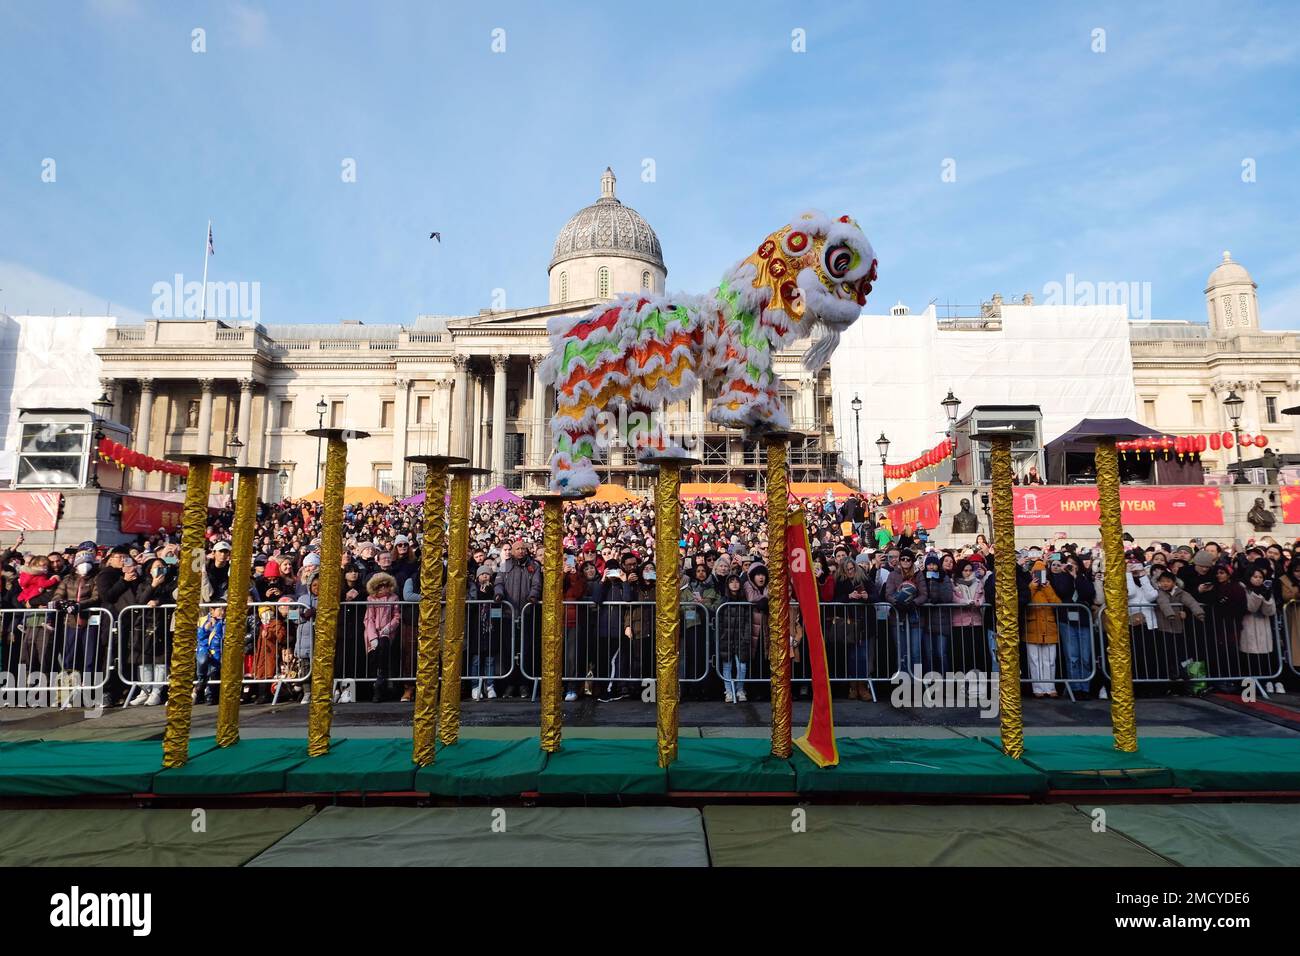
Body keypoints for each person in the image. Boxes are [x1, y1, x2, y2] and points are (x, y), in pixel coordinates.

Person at [1152, 569, 1205, 693]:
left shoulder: (1181, 593)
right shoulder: (1159, 593)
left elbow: (1192, 602)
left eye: (1168, 581)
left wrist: (1199, 613)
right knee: (1167, 655)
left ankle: (1187, 680)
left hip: (1178, 628)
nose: (1165, 584)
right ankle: (1170, 682)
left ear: (1174, 582)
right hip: (1163, 628)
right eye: (1162, 581)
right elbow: (1163, 603)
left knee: (1181, 655)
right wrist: (1170, 614)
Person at [1025, 559, 1062, 698]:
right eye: (1036, 573)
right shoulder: (1029, 587)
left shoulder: (1049, 587)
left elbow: (1057, 603)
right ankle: (1038, 688)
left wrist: (1047, 588)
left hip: (1049, 627)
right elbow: (1024, 600)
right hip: (1032, 627)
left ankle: (1050, 687)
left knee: (1050, 660)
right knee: (1035, 660)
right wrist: (1032, 587)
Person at [362, 572, 401, 702]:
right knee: (373, 656)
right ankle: (374, 685)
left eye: (385, 585)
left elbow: (396, 616)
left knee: (384, 650)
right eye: (380, 586)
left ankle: (380, 683)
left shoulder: (394, 598)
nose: (383, 588)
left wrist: (388, 629)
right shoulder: (371, 599)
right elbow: (369, 619)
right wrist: (373, 637)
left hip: (387, 632)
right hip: (372, 632)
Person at [1240, 567, 1277, 680]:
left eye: (1261, 577)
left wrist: (1266, 597)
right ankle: (1250, 689)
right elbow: (1251, 608)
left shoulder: (1266, 590)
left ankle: (1263, 683)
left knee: (1263, 659)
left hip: (1263, 628)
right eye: (1255, 577)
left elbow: (1270, 611)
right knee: (1249, 659)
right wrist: (1257, 595)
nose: (1258, 580)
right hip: (1248, 627)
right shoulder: (1244, 589)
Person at [195, 605, 225, 705]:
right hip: (205, 649)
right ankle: (201, 680)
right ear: (212, 610)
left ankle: (209, 695)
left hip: (217, 651)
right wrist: (205, 628)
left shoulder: (224, 621)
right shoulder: (203, 620)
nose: (223, 612)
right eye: (220, 610)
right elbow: (200, 638)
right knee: (202, 660)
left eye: (225, 610)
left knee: (213, 671)